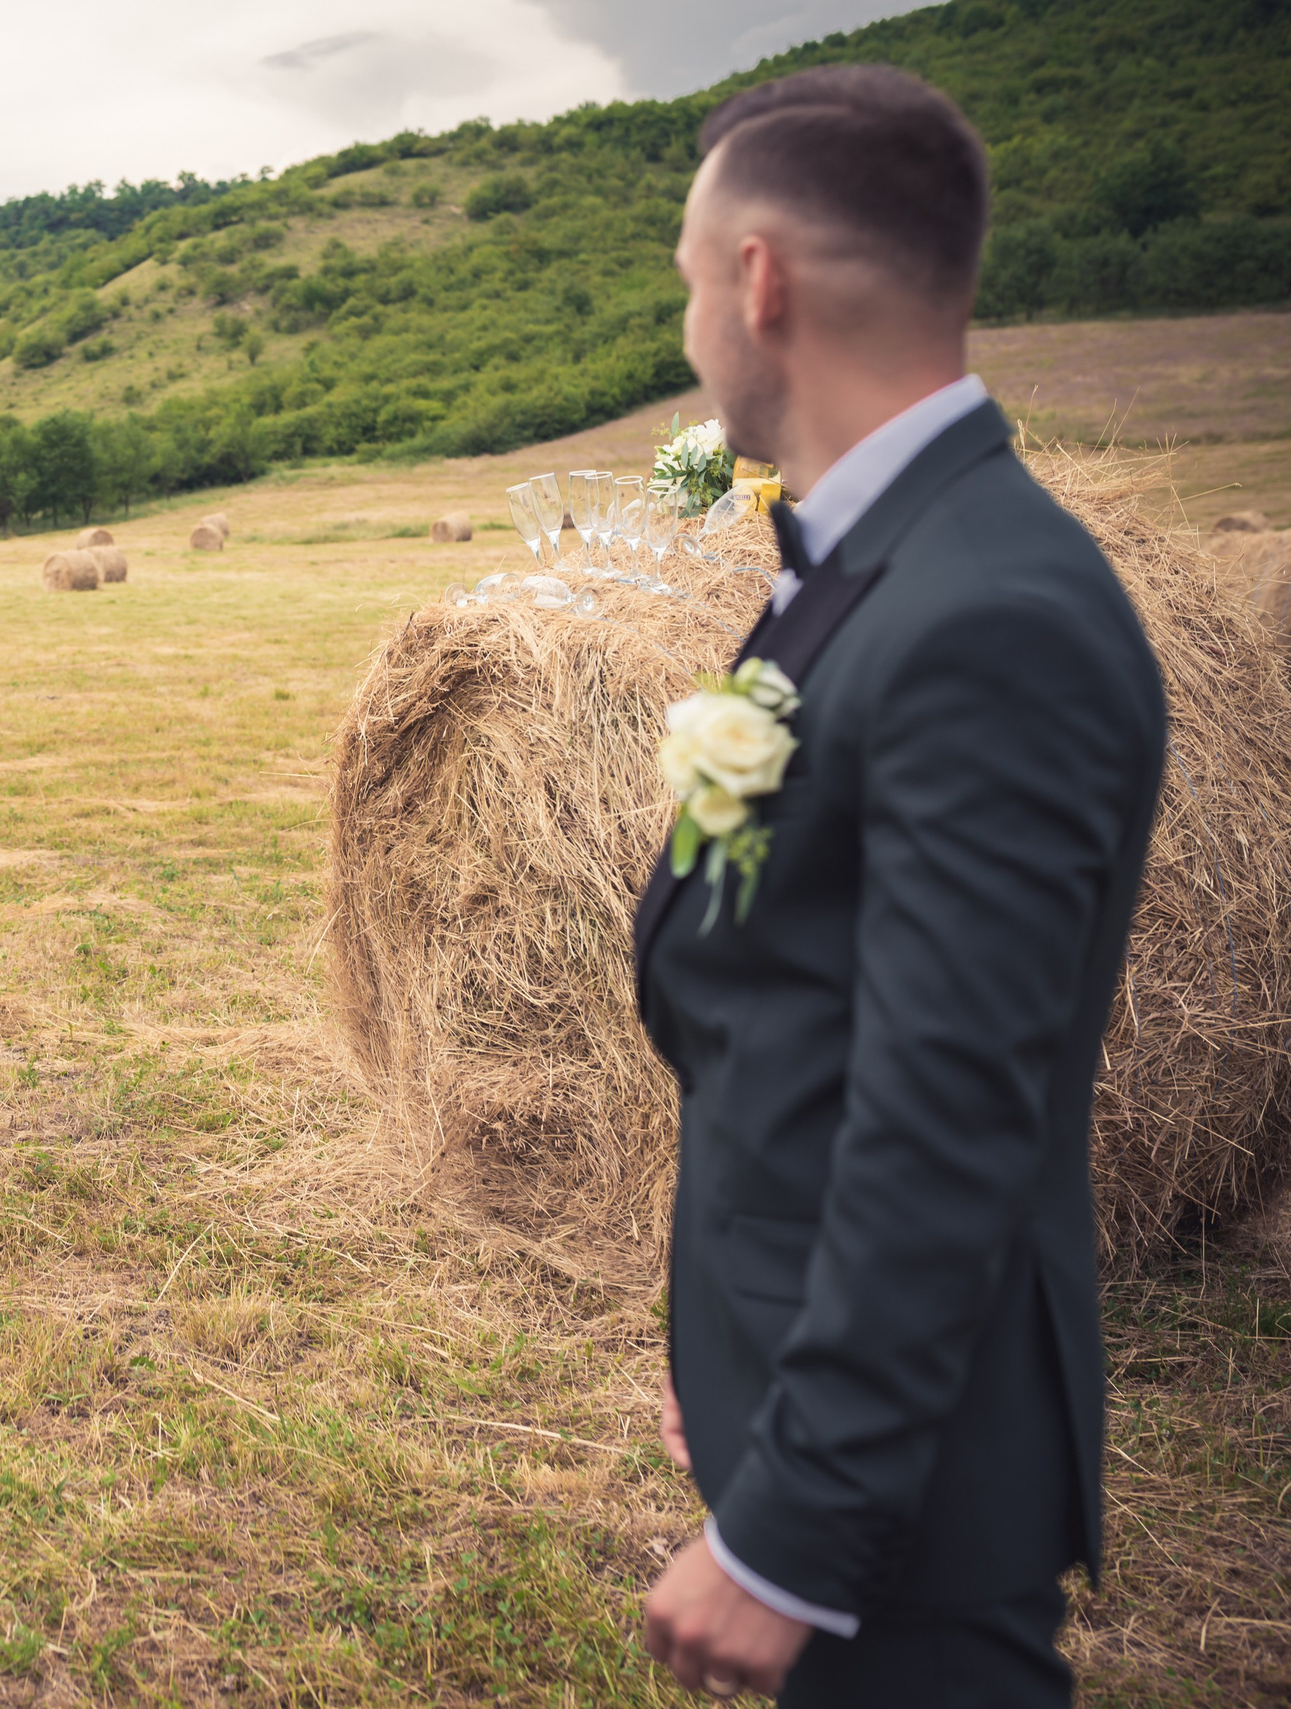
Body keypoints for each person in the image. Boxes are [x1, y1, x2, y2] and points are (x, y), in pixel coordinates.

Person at [631, 67, 1166, 1705]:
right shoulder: (883, 556)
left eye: (687, 286)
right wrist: (728, 1343)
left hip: (912, 1501)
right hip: (822, 1384)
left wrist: (796, 1523)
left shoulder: (989, 613)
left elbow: (949, 1112)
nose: (688, 338)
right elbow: (808, 1014)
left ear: (759, 282)